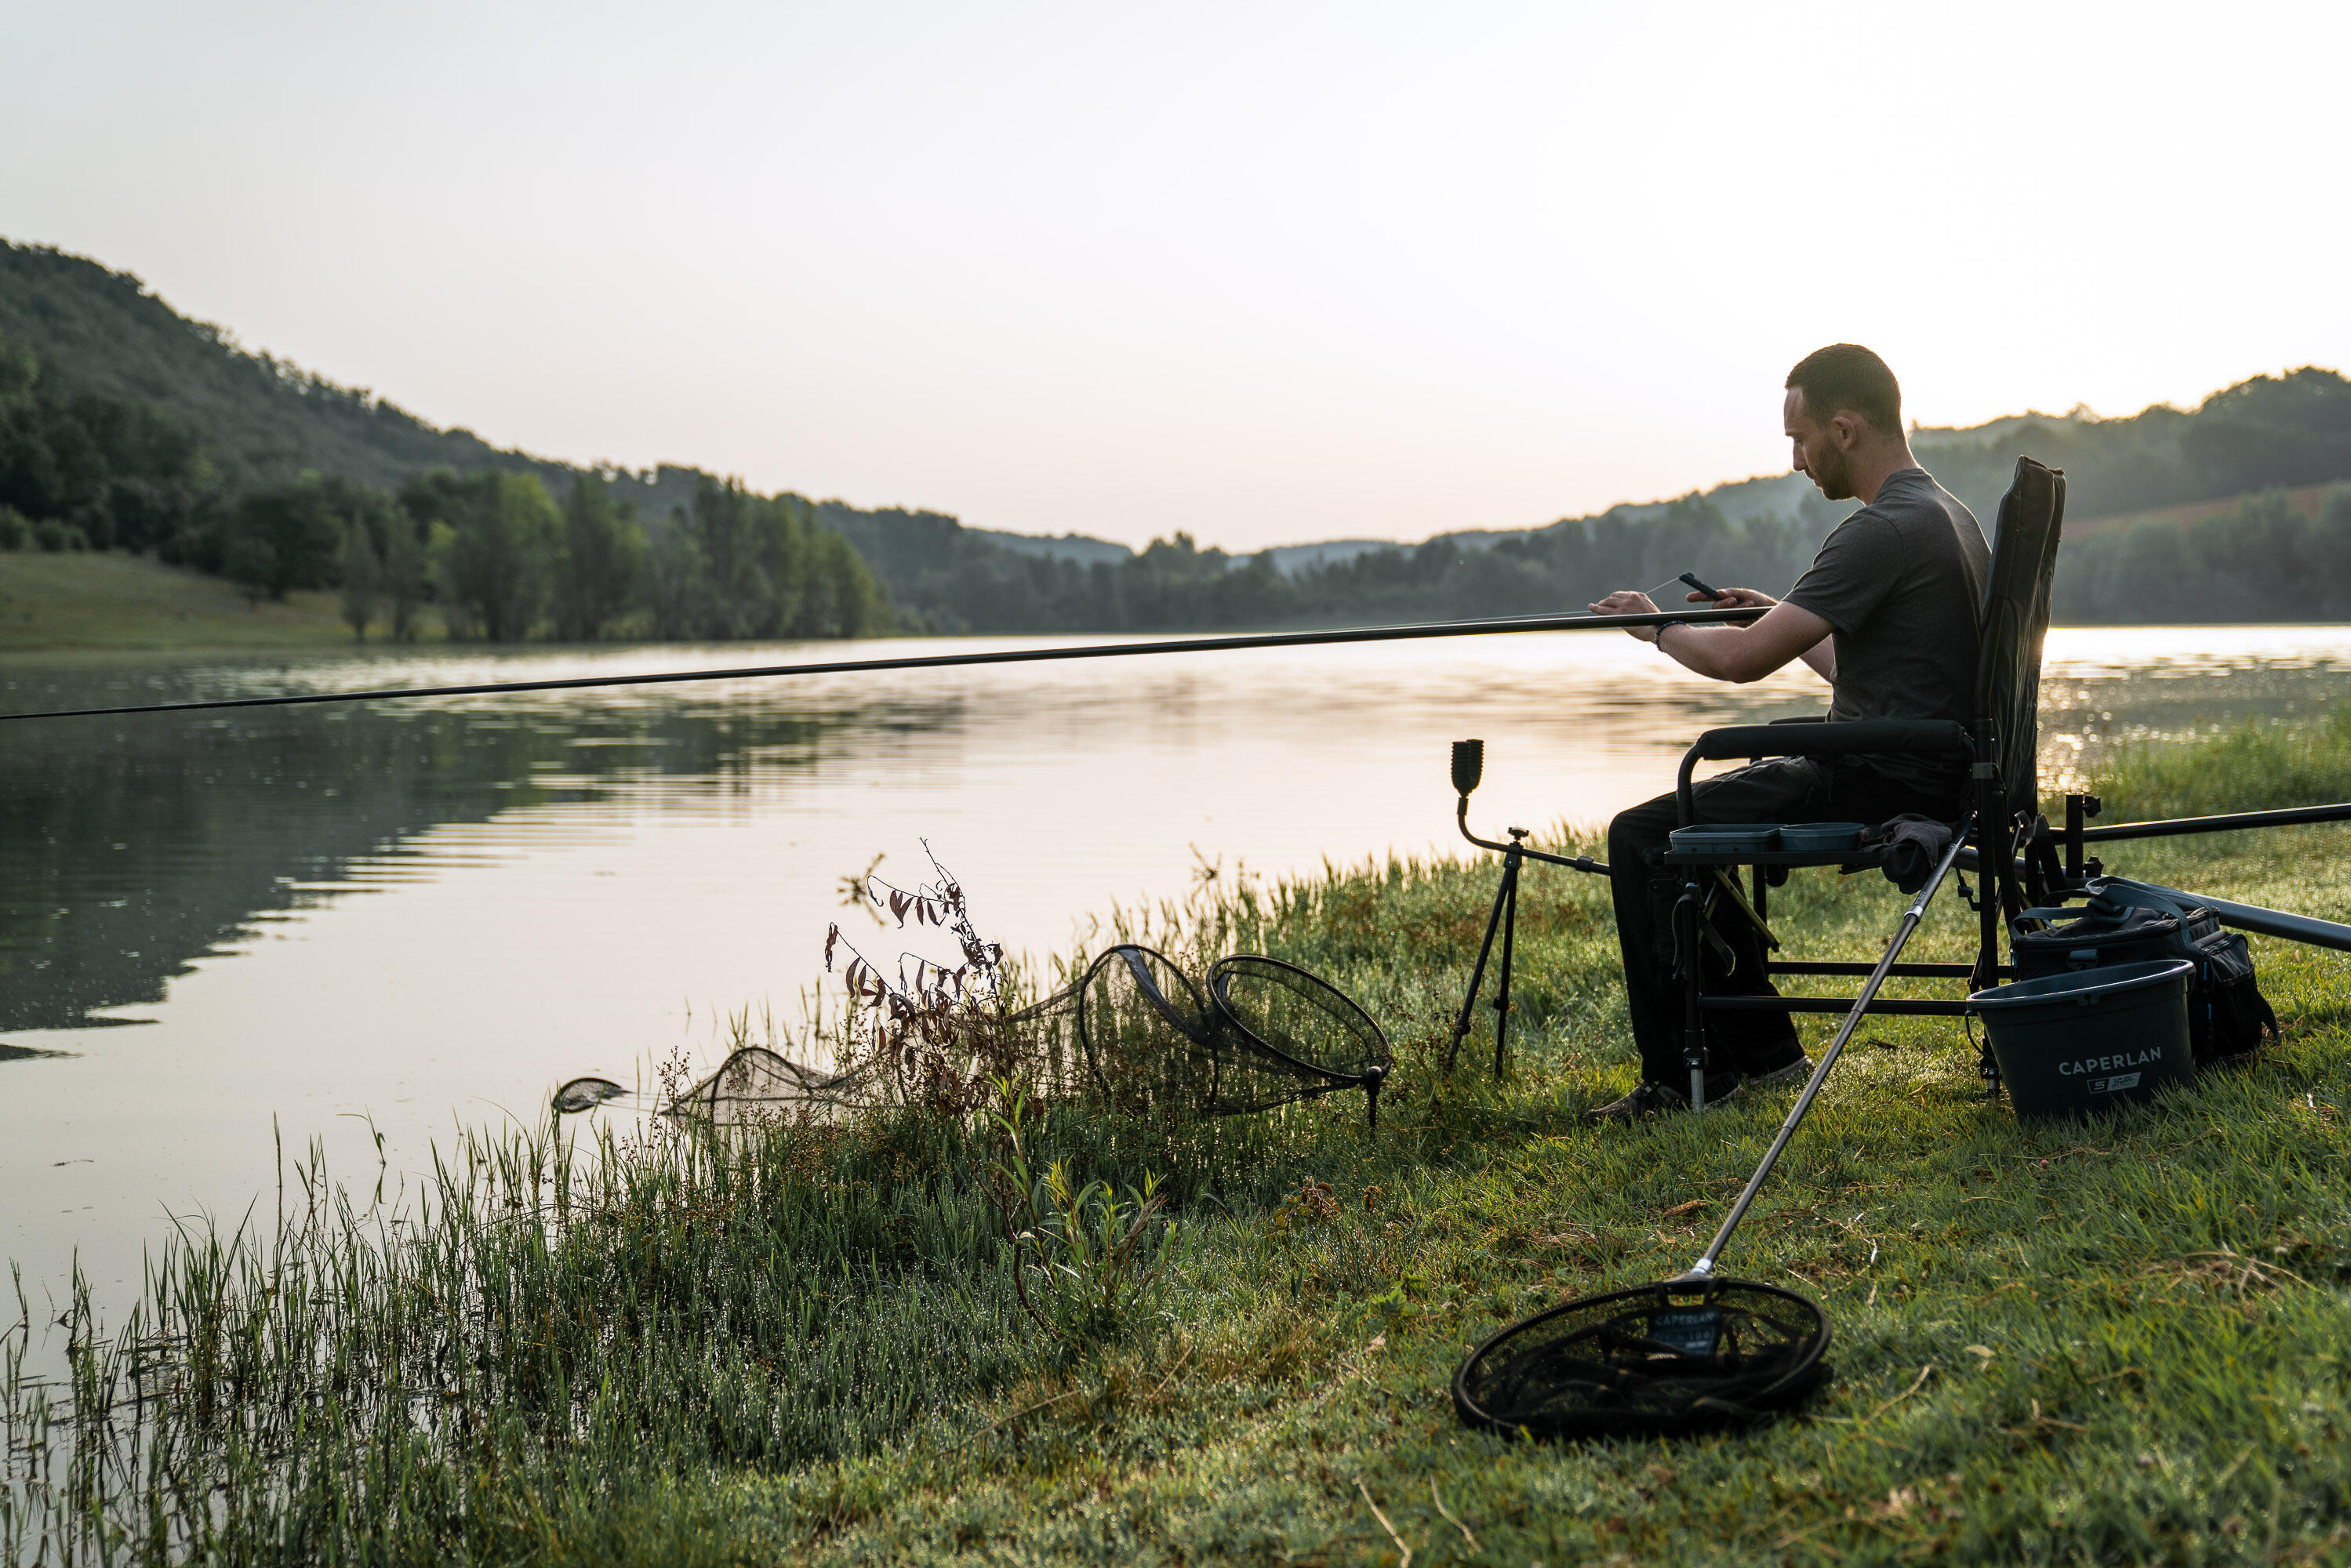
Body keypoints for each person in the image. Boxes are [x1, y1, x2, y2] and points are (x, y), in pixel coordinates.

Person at [1582, 343, 1990, 1123]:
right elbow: (1869, 675)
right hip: (1928, 763)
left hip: (1881, 778)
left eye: (1799, 440)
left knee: (1641, 834)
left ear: (1842, 429)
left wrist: (1656, 626)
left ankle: (1679, 1079)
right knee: (1699, 817)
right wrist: (1774, 608)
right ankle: (1764, 1052)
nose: (1797, 460)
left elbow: (1738, 663)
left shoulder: (1879, 531)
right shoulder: (1946, 513)